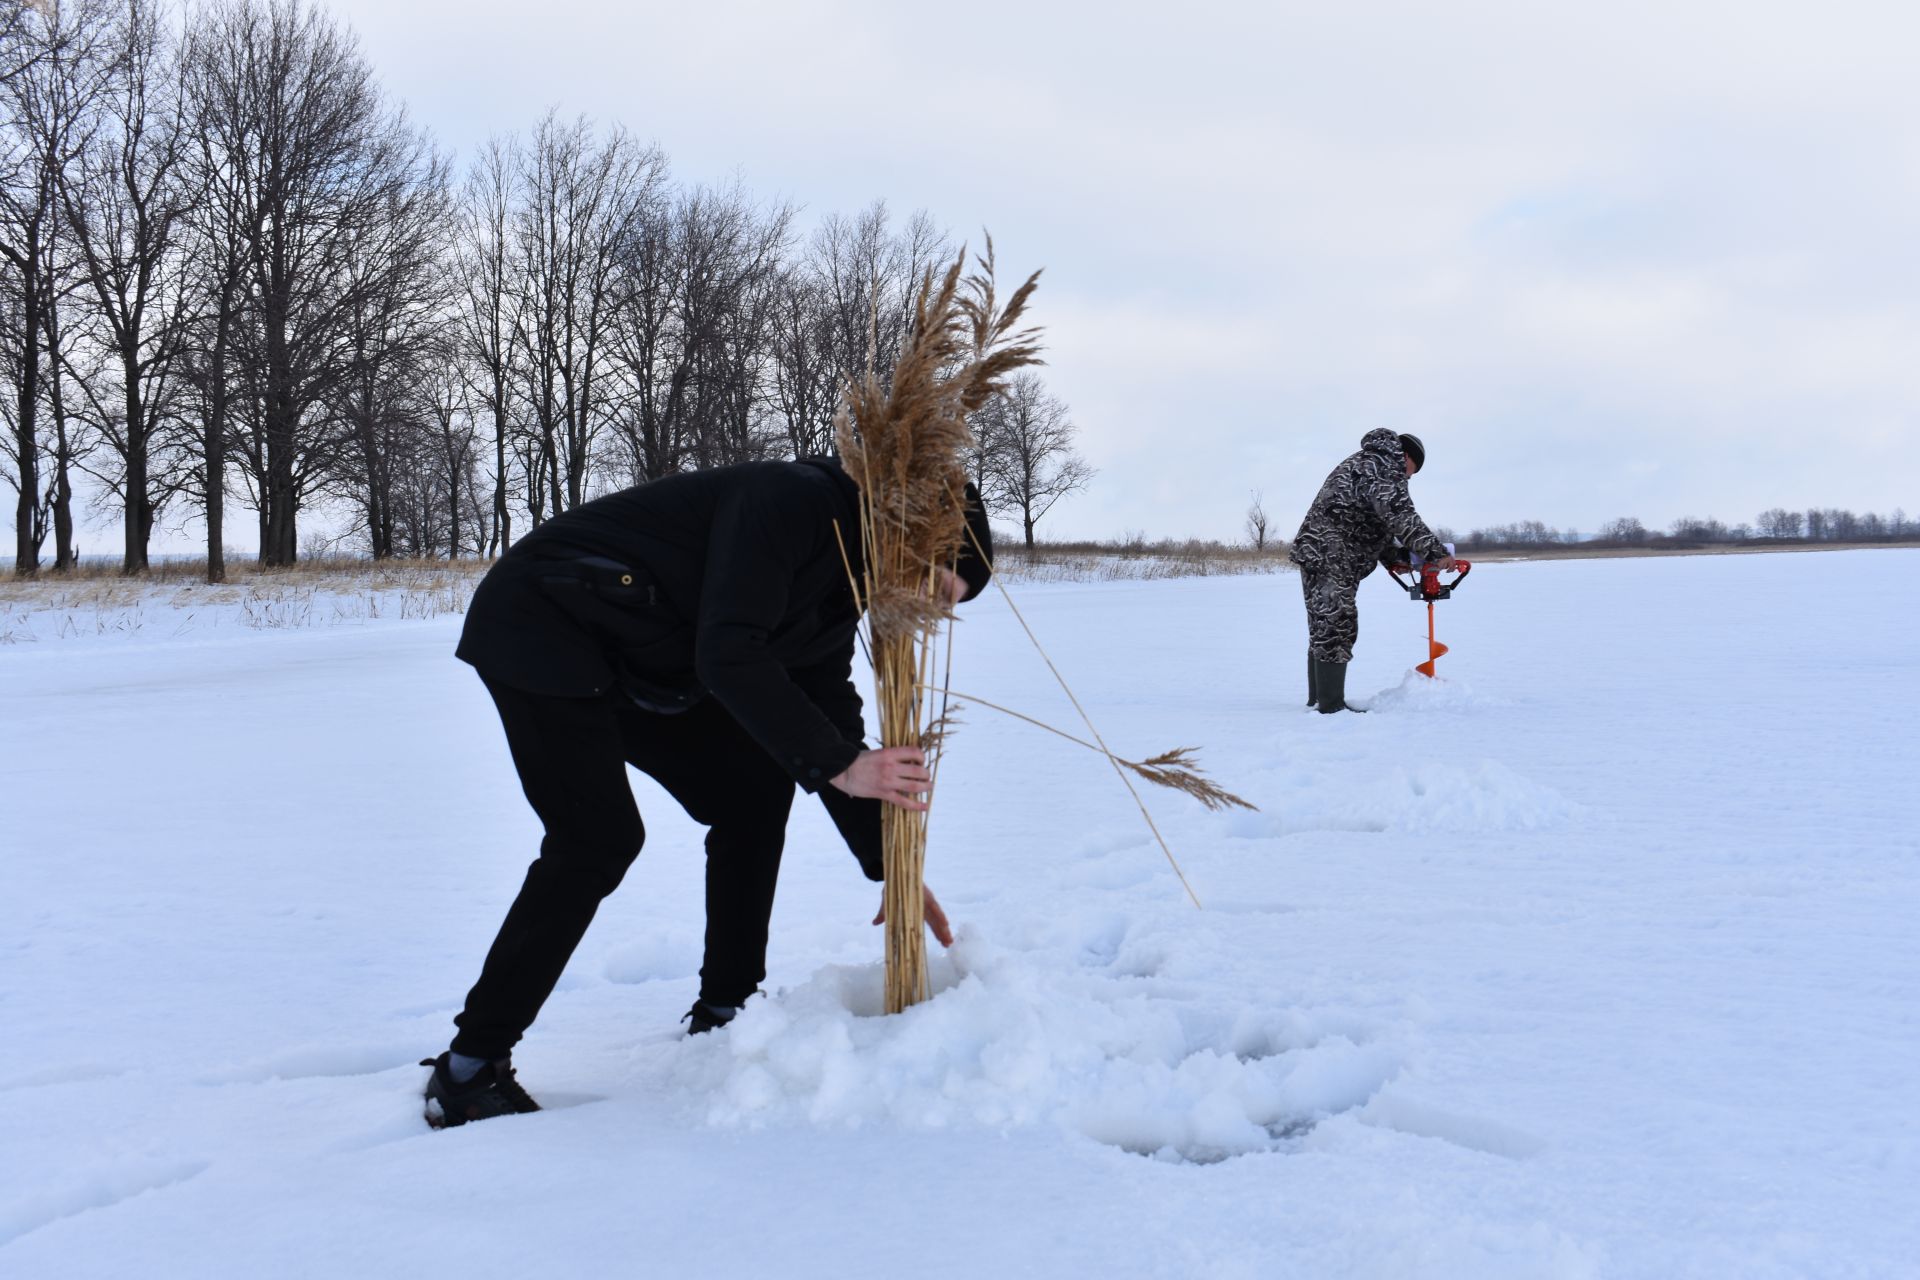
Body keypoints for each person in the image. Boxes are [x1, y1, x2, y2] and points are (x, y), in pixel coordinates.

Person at [421, 456, 993, 1128]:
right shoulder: (791, 503)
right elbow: (729, 651)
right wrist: (839, 763)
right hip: (545, 622)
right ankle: (469, 1070)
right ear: (913, 537)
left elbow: (824, 705)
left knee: (753, 790)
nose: (926, 607)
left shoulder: (846, 574)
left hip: (636, 654)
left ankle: (726, 1012)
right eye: (934, 585)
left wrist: (886, 864)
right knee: (596, 840)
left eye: (943, 602)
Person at [1289, 430, 1453, 713]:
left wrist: (1396, 558)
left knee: (1324, 625)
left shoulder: (1368, 463)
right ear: (1407, 458)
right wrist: (1436, 553)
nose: (1409, 479)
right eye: (1412, 472)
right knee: (1337, 623)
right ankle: (1330, 707)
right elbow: (1399, 515)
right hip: (1331, 553)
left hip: (1320, 551)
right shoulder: (1385, 465)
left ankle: (1319, 701)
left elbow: (1372, 523)